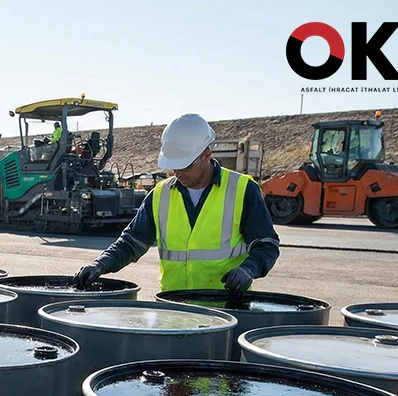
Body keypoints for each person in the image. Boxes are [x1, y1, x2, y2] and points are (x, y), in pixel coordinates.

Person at [73, 113, 280, 292]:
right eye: (173, 166)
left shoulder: (242, 190)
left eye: (184, 166)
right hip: (174, 309)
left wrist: (247, 270)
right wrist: (100, 264)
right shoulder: (160, 194)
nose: (177, 172)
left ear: (206, 156)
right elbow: (131, 242)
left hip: (225, 309)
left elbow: (266, 245)